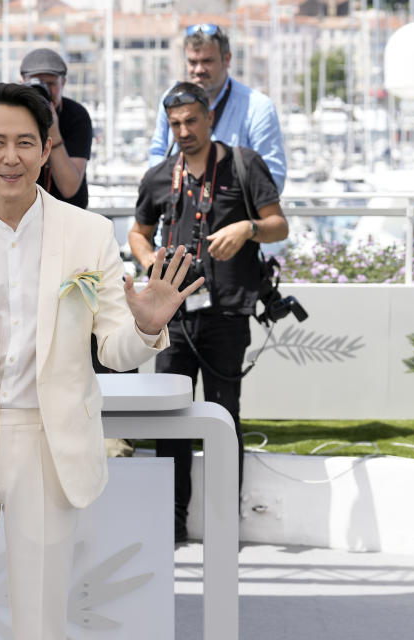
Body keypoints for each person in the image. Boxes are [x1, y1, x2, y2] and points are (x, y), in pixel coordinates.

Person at [0, 82, 203, 638]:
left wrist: (147, 326)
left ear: (47, 149)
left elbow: (114, 348)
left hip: (48, 444)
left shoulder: (89, 233)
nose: (11, 157)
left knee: (40, 621)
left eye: (26, 142)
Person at [130, 82, 289, 542]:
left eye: (191, 120)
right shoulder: (160, 175)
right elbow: (138, 233)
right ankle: (171, 522)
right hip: (173, 314)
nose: (183, 131)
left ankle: (223, 525)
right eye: (175, 124)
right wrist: (149, 262)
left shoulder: (243, 163)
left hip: (227, 312)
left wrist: (246, 227)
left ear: (210, 119)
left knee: (223, 419)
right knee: (168, 420)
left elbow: (279, 224)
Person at [148, 24, 287, 193]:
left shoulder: (258, 107)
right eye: (192, 62)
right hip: (178, 211)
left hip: (233, 216)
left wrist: (226, 201)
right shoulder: (169, 99)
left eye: (207, 61)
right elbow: (157, 156)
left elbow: (273, 178)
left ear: (227, 59)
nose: (198, 70)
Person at [19, 47, 93, 209]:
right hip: (23, 215)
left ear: (63, 82)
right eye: (36, 83)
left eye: (50, 83)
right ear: (22, 82)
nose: (44, 89)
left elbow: (69, 187)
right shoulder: (13, 114)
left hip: (68, 216)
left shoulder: (76, 115)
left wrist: (52, 130)